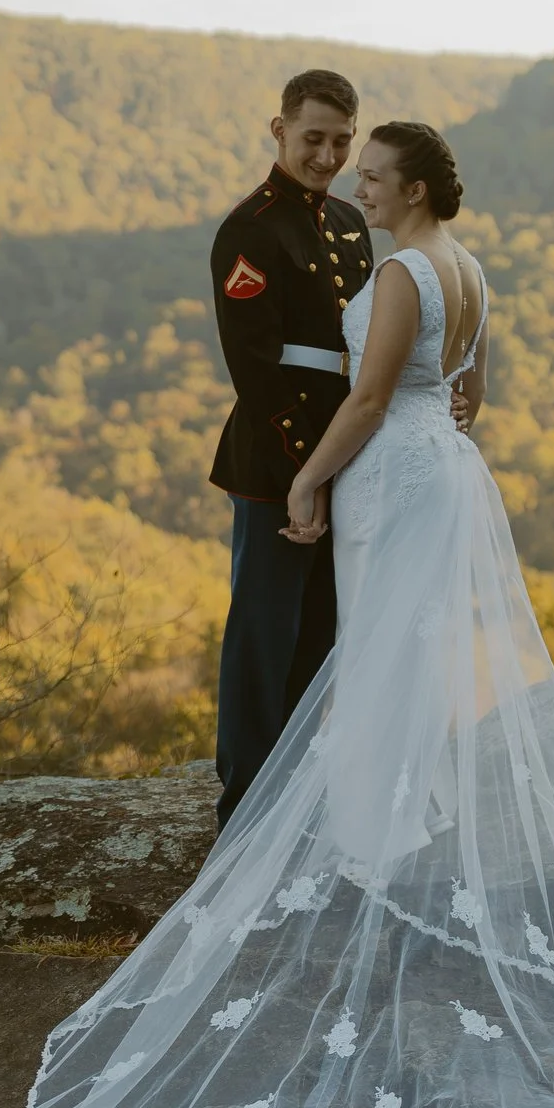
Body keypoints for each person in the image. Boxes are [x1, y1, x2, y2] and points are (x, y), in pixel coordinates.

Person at [8, 124, 554, 1108]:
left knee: (379, 652)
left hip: (383, 470)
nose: (352, 185)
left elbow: (366, 399)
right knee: (406, 653)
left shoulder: (407, 270)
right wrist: (416, 441)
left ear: (410, 187)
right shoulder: (468, 269)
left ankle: (373, 823)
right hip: (440, 470)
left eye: (369, 174)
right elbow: (470, 398)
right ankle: (395, 809)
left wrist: (309, 482)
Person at [206, 69, 378, 826]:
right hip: (278, 454)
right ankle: (246, 802)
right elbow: (253, 367)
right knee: (263, 633)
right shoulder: (250, 228)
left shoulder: (348, 220)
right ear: (278, 130)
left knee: (322, 631)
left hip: (346, 448)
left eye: (341, 141)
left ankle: (305, 788)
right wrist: (306, 468)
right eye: (313, 138)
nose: (328, 156)